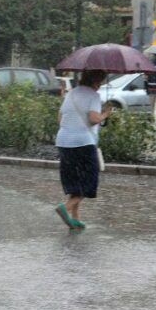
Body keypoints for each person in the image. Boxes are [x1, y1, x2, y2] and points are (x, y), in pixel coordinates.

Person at [54, 69, 112, 229]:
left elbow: (60, 118)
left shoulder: (71, 94)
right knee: (88, 180)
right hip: (83, 143)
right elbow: (93, 119)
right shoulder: (93, 96)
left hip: (64, 141)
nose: (100, 86)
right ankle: (65, 208)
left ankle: (75, 218)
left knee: (75, 179)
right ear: (95, 81)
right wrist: (105, 114)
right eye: (100, 82)